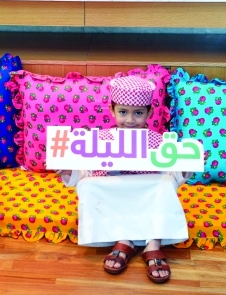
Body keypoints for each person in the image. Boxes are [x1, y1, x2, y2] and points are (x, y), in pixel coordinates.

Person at [60, 75, 190, 284]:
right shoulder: (99, 139)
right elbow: (84, 173)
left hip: (146, 194)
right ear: (112, 110)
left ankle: (153, 243)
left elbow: (173, 177)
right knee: (86, 185)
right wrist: (68, 168)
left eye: (138, 113)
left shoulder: (158, 141)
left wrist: (187, 165)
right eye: (123, 112)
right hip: (113, 193)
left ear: (149, 112)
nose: (130, 120)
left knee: (166, 183)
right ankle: (123, 238)